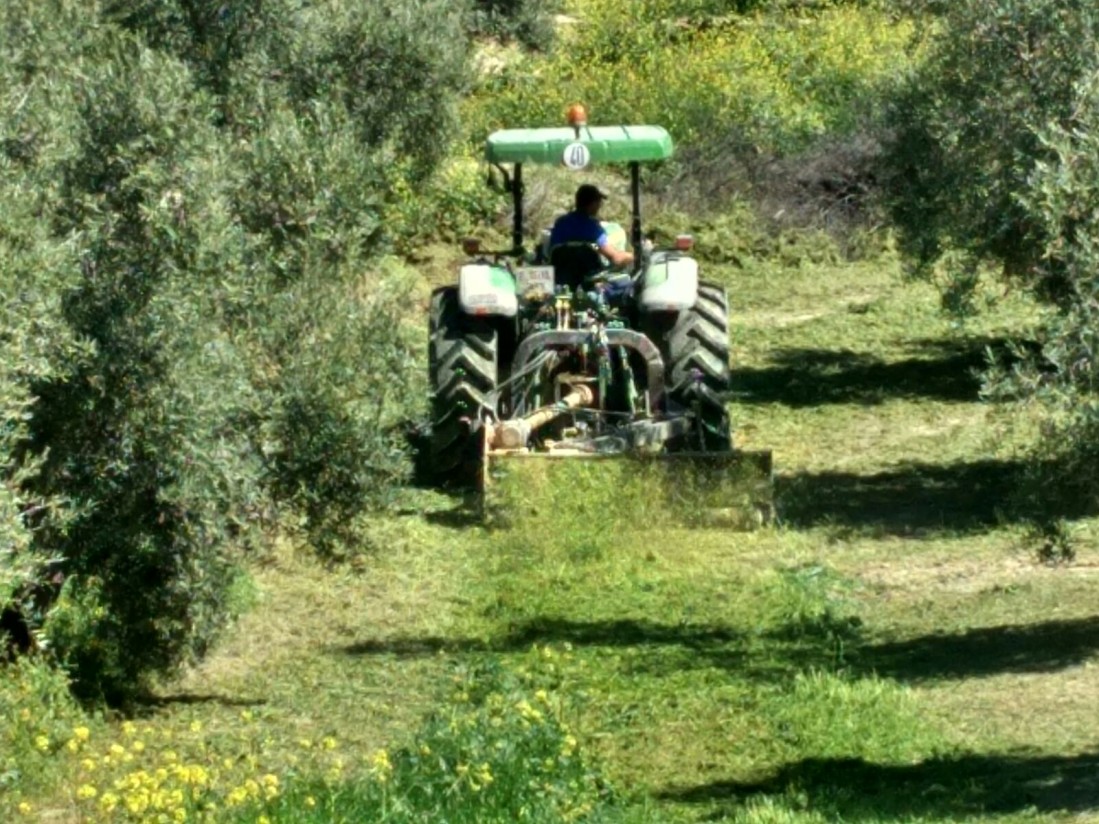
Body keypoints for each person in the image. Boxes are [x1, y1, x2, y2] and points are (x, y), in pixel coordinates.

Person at [549, 184, 635, 269]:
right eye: (598, 202)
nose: (600, 205)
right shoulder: (593, 228)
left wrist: (597, 248)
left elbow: (558, 247)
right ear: (593, 204)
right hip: (588, 279)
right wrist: (635, 256)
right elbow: (616, 258)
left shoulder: (560, 222)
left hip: (560, 276)